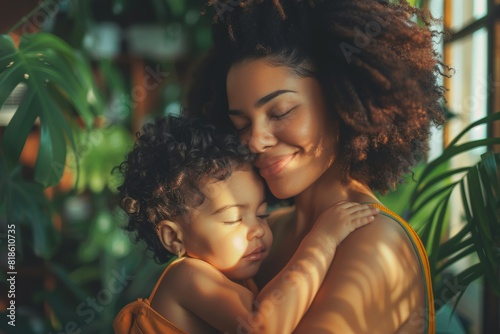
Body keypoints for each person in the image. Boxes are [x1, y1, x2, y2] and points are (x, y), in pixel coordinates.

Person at [185, 0, 447, 332]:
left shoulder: (374, 241)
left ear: (341, 104)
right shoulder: (264, 234)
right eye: (241, 125)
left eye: (279, 112)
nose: (254, 141)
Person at [112, 116, 378, 333]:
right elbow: (263, 327)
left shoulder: (239, 278)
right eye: (233, 219)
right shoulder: (186, 276)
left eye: (262, 214)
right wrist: (322, 241)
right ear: (173, 238)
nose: (258, 229)